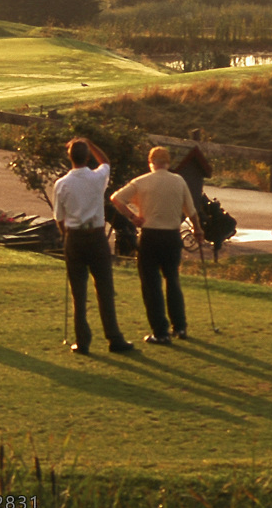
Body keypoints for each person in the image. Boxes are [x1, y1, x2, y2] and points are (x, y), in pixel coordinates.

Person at [110, 146, 204, 345]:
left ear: (150, 162)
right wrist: (197, 230)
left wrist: (133, 217)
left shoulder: (141, 182)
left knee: (151, 285)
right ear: (168, 162)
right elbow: (191, 211)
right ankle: (180, 326)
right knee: (172, 280)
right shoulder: (178, 181)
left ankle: (161, 331)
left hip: (150, 236)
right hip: (172, 236)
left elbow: (116, 199)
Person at [53, 137, 134, 355]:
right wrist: (91, 143)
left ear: (69, 157)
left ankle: (82, 342)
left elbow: (59, 218)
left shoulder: (61, 184)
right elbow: (105, 161)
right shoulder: (98, 177)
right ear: (88, 156)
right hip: (97, 238)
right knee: (105, 290)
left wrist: (66, 236)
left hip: (74, 238)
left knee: (78, 293)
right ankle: (114, 338)